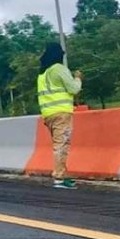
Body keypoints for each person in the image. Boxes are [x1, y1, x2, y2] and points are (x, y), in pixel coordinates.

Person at [37, 42, 82, 189]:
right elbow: (74, 89)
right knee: (61, 145)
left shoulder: (42, 74)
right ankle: (59, 178)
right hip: (61, 112)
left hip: (48, 114)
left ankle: (62, 174)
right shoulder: (59, 69)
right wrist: (77, 78)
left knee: (59, 144)